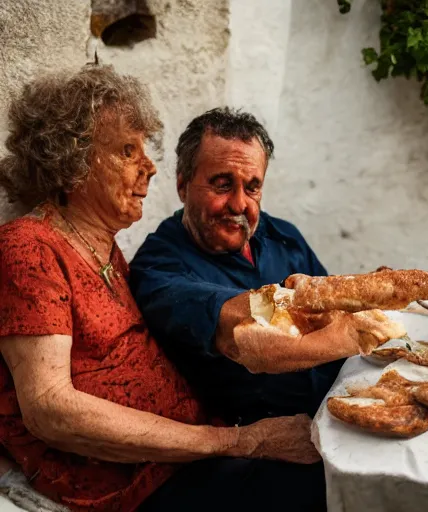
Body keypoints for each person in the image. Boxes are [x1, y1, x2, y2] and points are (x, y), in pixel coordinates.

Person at [0, 65, 325, 512]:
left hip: (185, 457)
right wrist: (238, 441)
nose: (149, 167)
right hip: (135, 486)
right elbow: (51, 409)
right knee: (316, 488)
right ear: (72, 161)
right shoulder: (30, 247)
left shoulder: (104, 252)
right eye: (127, 150)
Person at [128, 107, 393, 427]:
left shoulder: (281, 234)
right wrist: (366, 328)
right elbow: (252, 329)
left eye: (252, 187)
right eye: (222, 184)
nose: (240, 204)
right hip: (258, 444)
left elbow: (332, 302)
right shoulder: (158, 268)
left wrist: (359, 298)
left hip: (336, 408)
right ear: (183, 186)